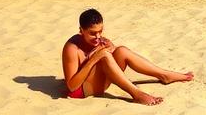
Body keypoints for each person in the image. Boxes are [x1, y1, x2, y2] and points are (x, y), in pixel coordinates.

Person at [61, 8, 193, 104]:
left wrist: (110, 47)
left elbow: (112, 55)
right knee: (105, 56)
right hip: (80, 92)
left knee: (121, 50)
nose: (98, 37)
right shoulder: (72, 48)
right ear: (81, 30)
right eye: (92, 33)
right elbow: (72, 86)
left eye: (100, 31)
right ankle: (137, 94)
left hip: (98, 82)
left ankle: (164, 75)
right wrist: (94, 57)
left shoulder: (98, 39)